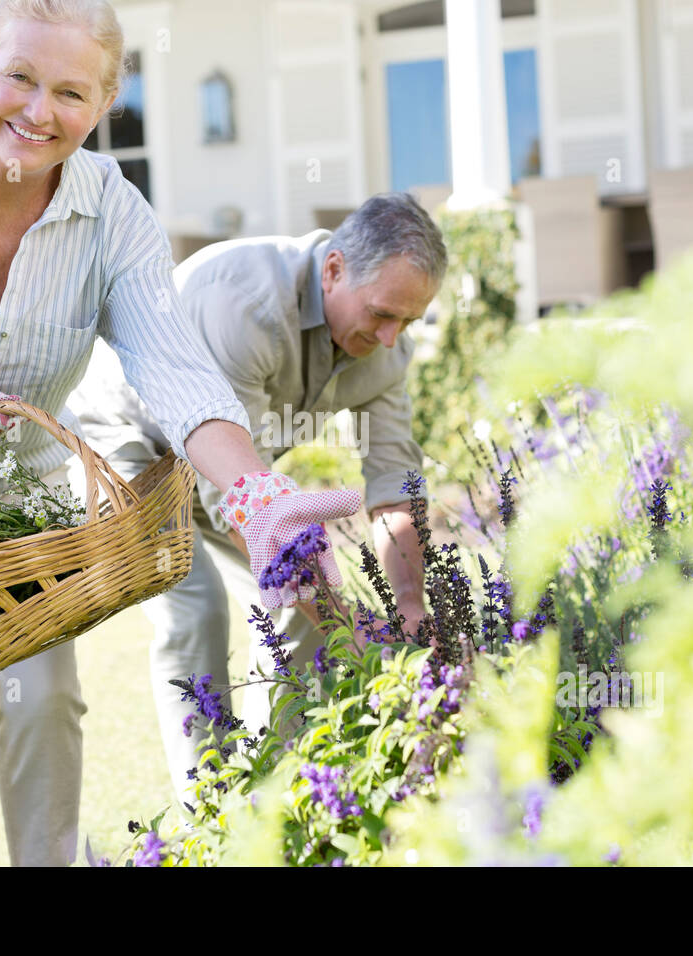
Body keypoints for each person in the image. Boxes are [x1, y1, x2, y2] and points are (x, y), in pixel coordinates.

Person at [0, 0, 357, 867]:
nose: (40, 111)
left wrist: (258, 495)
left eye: (71, 93)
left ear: (103, 105)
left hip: (18, 492)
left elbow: (175, 368)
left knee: (40, 696)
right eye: (20, 77)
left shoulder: (113, 215)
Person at [70, 193, 447, 804]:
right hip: (129, 439)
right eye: (381, 315)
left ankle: (277, 798)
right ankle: (212, 810)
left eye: (406, 322)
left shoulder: (385, 347)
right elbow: (238, 494)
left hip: (240, 470)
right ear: (333, 270)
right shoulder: (244, 304)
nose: (388, 338)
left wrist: (408, 607)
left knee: (300, 614)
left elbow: (393, 483)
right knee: (196, 609)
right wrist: (345, 622)